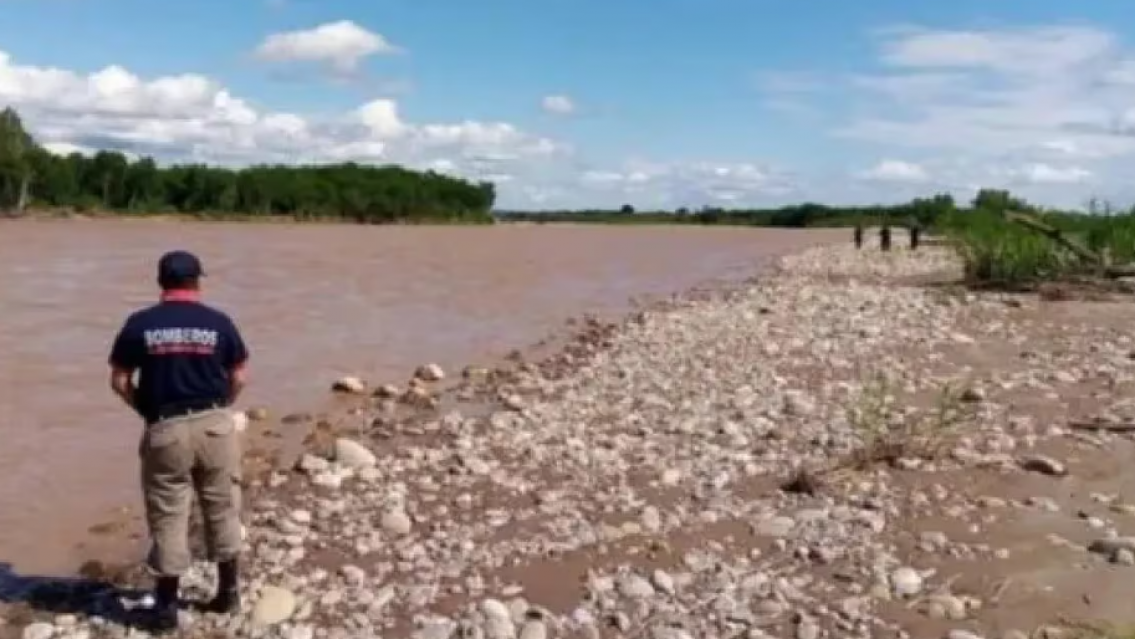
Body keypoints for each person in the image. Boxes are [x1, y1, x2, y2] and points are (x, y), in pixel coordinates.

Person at [107, 250, 248, 631]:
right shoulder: (219, 323)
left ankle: (166, 608)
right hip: (216, 424)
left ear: (161, 282)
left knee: (169, 513)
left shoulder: (140, 324)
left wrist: (146, 411)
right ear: (197, 281)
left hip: (165, 427)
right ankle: (228, 594)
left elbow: (119, 380)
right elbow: (238, 377)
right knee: (221, 505)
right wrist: (222, 409)